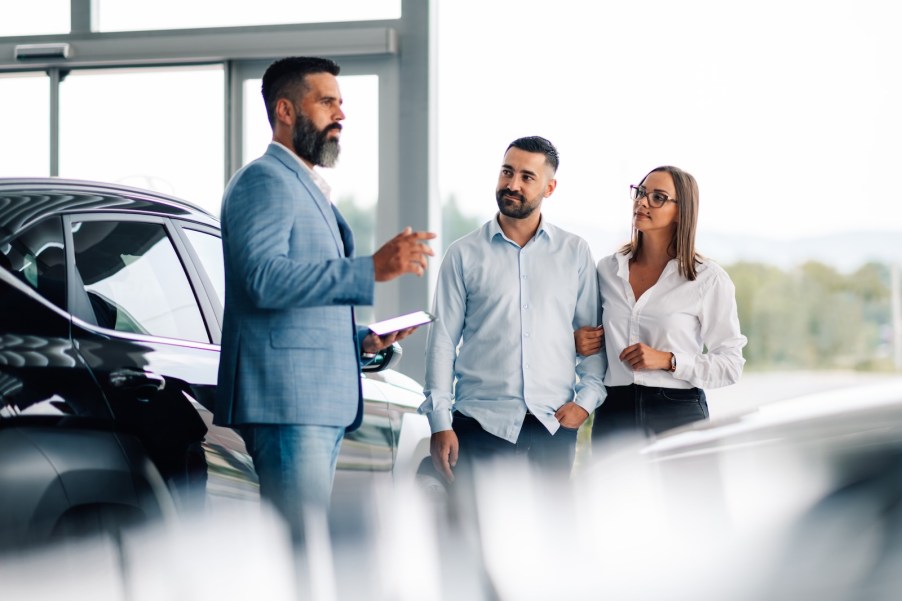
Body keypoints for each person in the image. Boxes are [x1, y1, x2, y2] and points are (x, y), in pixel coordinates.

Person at [213, 56, 435, 540]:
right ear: (286, 110)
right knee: (301, 545)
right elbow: (263, 279)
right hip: (287, 402)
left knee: (306, 543)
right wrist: (370, 270)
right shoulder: (264, 181)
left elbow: (295, 303)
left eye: (340, 103)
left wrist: (360, 340)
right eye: (327, 102)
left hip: (312, 402)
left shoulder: (305, 186)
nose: (341, 114)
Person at [420, 136, 607, 483]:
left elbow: (593, 339)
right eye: (507, 172)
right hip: (478, 427)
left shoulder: (575, 253)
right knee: (474, 520)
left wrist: (585, 402)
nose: (512, 184)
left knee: (550, 520)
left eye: (526, 177)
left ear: (549, 188)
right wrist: (440, 422)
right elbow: (442, 343)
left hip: (553, 428)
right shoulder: (463, 254)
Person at [575, 166, 746, 441]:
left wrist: (669, 360)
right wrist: (578, 342)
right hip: (614, 410)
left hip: (678, 411)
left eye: (658, 197)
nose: (642, 202)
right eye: (641, 192)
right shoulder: (607, 270)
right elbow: (595, 340)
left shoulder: (708, 279)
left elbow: (731, 364)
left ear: (681, 211)